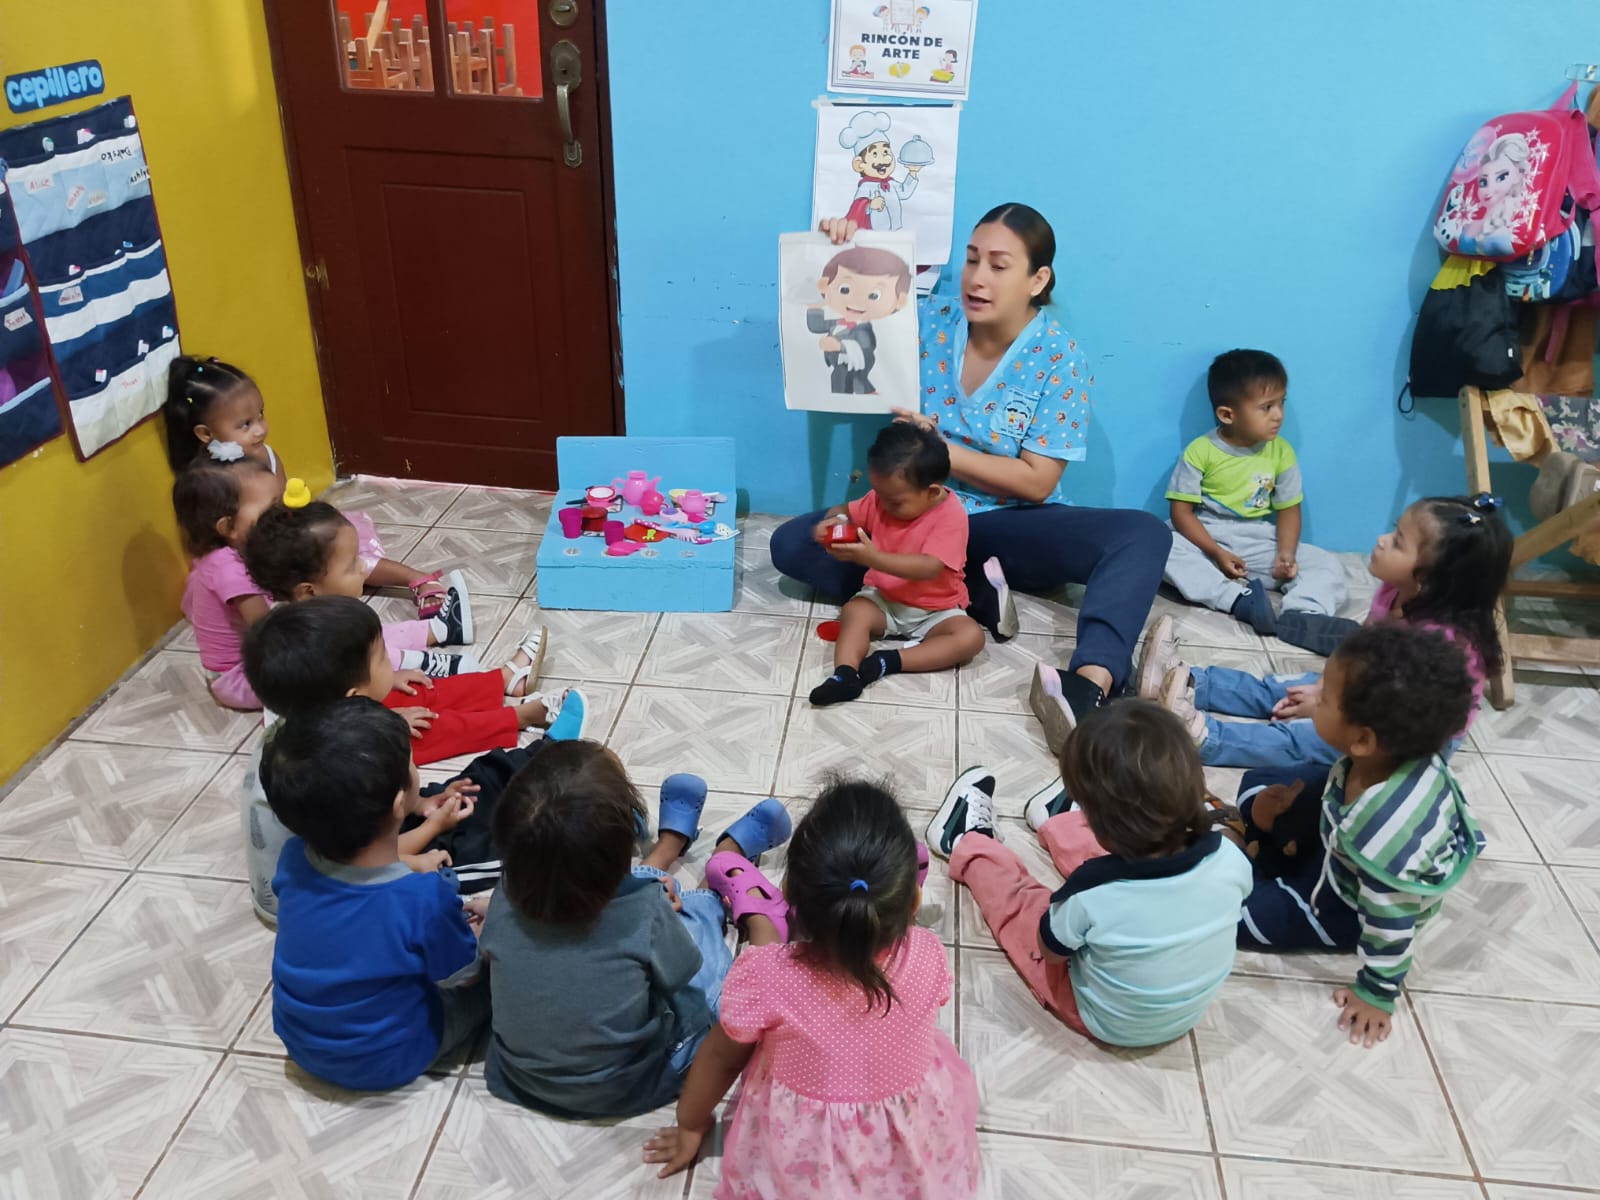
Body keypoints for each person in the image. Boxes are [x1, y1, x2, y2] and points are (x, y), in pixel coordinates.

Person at [770, 205, 1171, 752]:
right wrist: (845, 246)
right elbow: (847, 307)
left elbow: (1036, 482)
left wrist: (941, 452)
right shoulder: (927, 320)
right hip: (915, 517)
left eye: (999, 266)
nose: (977, 278)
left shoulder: (1060, 358)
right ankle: (964, 588)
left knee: (1144, 534)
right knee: (792, 544)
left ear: (1037, 280)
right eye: (972, 259)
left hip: (1009, 524)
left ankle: (1088, 682)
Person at [644, 779, 980, 1199]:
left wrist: (691, 1125)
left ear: (788, 894)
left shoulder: (765, 977)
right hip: (909, 1147)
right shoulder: (928, 953)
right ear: (913, 902)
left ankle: (759, 913)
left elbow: (720, 1059)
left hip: (805, 1161)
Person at [480, 744, 793, 1118]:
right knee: (705, 959)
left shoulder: (502, 898)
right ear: (622, 852)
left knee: (583, 882)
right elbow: (684, 971)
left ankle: (666, 849)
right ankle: (722, 867)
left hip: (521, 1077)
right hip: (630, 1082)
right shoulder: (644, 911)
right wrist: (658, 910)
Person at [927, 701, 1251, 1046]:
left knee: (1021, 905)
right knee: (1142, 857)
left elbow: (1051, 950)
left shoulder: (1093, 892)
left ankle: (966, 841)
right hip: (1183, 1016)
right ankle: (1059, 819)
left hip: (1104, 1019)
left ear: (1100, 825)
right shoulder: (1231, 858)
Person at [238, 596, 574, 924]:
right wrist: (431, 828)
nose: (393, 662)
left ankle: (545, 754)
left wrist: (422, 804)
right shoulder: (323, 774)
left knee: (464, 788)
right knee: (475, 835)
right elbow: (367, 860)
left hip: (351, 840)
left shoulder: (304, 733)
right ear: (351, 699)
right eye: (383, 658)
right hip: (339, 882)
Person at [1232, 624, 1484, 1048]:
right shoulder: (1386, 757)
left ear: (1364, 739)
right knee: (1260, 782)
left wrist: (1376, 993)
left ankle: (1263, 856)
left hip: (1345, 906)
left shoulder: (1389, 839)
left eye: (1324, 697)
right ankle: (1270, 839)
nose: (1315, 697)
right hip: (1342, 838)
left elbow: (1391, 923)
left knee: (1235, 916)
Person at [1146, 493, 1511, 769]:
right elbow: (1361, 654)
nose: (1382, 539)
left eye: (1398, 541)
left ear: (1427, 579)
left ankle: (1206, 738)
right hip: (1373, 692)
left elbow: (1391, 709)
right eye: (1394, 529)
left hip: (1407, 734)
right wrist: (1323, 689)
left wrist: (1326, 709)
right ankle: (1187, 681)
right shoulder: (1394, 590)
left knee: (1305, 738)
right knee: (1283, 687)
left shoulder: (1443, 644)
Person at [262, 697, 490, 1090]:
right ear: (401, 801)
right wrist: (481, 936)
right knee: (494, 974)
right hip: (389, 1058)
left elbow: (358, 909)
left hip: (301, 1043)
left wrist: (424, 845)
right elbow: (461, 975)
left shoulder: (294, 858)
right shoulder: (422, 899)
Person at [161, 354, 456, 618]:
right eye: (245, 424)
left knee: (340, 555)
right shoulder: (212, 481)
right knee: (327, 572)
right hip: (256, 557)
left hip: (282, 543)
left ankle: (416, 578)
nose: (260, 429)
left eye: (260, 414)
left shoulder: (267, 456)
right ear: (206, 433)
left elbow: (284, 505)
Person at [1163, 349, 1345, 635]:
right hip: (1204, 536)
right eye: (1267, 407)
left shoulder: (1281, 452)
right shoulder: (1200, 451)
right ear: (1227, 414)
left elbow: (1289, 509)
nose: (1279, 415)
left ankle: (1303, 614)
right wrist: (1216, 552)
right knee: (1161, 544)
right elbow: (1181, 513)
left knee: (1325, 563)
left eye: (1282, 403)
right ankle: (1237, 600)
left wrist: (1286, 554)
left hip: (1256, 538)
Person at [807, 422, 985, 705]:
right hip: (884, 600)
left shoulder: (951, 516)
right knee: (854, 612)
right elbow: (846, 510)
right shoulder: (882, 498)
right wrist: (834, 522)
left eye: (895, 501)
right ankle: (844, 674)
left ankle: (888, 661)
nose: (883, 504)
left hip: (936, 610)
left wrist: (872, 558)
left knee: (970, 638)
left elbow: (930, 567)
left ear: (932, 491)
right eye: (878, 493)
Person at [172, 457, 283, 710]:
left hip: (234, 671)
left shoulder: (216, 557)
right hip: (239, 680)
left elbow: (189, 604)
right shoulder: (231, 570)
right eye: (270, 510)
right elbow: (269, 630)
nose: (282, 516)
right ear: (228, 527)